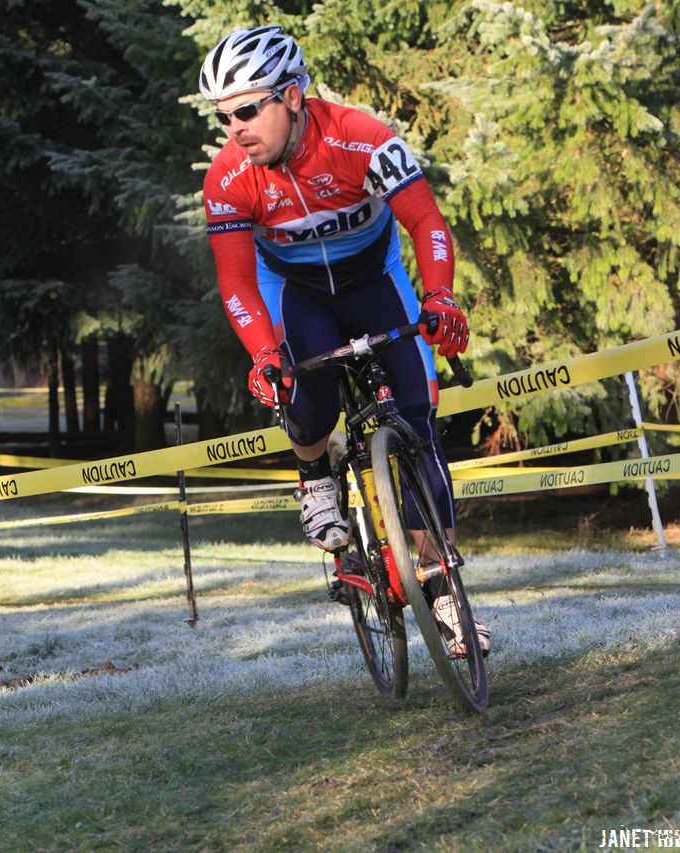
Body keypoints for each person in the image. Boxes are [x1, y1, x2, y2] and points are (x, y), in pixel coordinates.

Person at [198, 26, 489, 655]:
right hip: (296, 291)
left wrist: (438, 296)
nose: (236, 130)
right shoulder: (228, 178)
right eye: (225, 117)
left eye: (248, 110)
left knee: (418, 418)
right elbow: (236, 284)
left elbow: (426, 222)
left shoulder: (363, 138)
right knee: (305, 397)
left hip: (374, 279)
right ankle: (315, 475)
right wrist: (264, 355)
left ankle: (443, 592)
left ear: (294, 95)